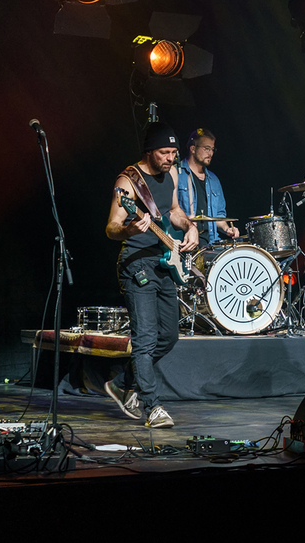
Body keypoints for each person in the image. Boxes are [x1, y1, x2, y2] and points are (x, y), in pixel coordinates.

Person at [104, 122, 198, 428]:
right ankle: (152, 405)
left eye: (173, 152)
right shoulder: (128, 181)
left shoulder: (171, 173)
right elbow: (111, 228)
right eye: (164, 153)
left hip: (163, 262)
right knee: (144, 339)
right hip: (136, 264)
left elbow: (173, 210)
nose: (171, 158)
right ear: (149, 151)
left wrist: (190, 226)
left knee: (169, 336)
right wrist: (130, 227)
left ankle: (122, 383)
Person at [177, 128, 239, 246]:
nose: (210, 153)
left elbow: (219, 216)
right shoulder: (177, 174)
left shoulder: (214, 180)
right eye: (206, 149)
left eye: (212, 149)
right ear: (193, 149)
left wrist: (227, 229)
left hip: (210, 243)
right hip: (184, 241)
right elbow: (170, 210)